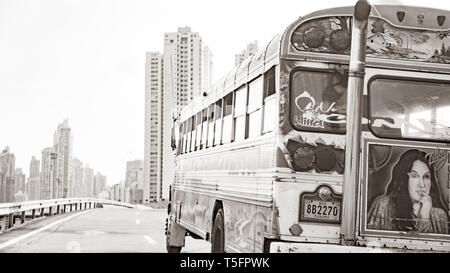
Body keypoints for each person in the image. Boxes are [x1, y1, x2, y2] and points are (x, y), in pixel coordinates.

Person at [367, 149, 449, 234]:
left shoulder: (439, 215)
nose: (422, 184)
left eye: (426, 176)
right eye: (414, 176)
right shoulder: (383, 205)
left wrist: (425, 217)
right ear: (404, 179)